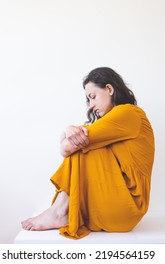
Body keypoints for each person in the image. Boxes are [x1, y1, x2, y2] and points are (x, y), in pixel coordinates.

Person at [21, 67, 155, 239]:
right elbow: (67, 147)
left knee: (83, 146)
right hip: (115, 209)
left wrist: (69, 132)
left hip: (124, 207)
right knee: (85, 143)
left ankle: (59, 211)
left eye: (93, 97)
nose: (91, 105)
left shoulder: (128, 113)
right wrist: (68, 129)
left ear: (109, 89)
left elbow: (67, 148)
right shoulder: (114, 123)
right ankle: (59, 211)